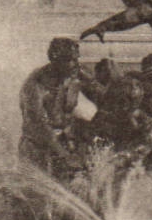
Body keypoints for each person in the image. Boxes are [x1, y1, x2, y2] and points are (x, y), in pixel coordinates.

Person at [19, 37, 95, 177]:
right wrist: (65, 156)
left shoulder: (77, 73)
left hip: (67, 141)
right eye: (68, 60)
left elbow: (103, 96)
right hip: (39, 148)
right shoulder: (35, 85)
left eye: (76, 58)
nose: (74, 64)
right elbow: (38, 124)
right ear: (54, 60)